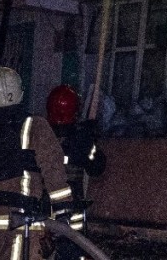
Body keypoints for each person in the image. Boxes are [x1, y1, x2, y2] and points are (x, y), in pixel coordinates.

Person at [0, 67, 73, 260]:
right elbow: (54, 173)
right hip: (20, 223)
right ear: (20, 92)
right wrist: (63, 213)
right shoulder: (35, 126)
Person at [46, 84, 107, 260]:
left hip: (41, 211)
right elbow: (97, 168)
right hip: (71, 214)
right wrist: (90, 139)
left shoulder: (40, 137)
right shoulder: (81, 140)